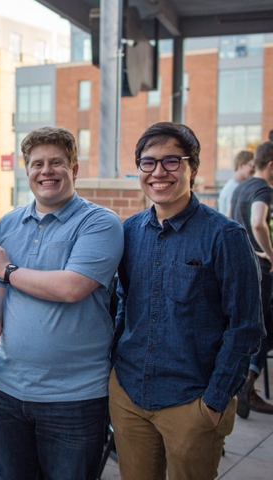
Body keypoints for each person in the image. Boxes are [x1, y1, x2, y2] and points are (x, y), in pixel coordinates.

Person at [111, 122, 264, 480]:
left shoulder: (225, 236)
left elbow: (246, 327)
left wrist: (215, 402)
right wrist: (113, 371)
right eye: (148, 163)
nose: (158, 172)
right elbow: (123, 303)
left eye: (172, 161)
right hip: (128, 394)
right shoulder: (129, 231)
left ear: (193, 168)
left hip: (192, 400)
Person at [0, 126, 124, 480]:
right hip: (6, 390)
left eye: (56, 162)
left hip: (74, 398)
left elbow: (72, 287)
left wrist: (8, 269)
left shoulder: (99, 222)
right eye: (37, 164)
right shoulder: (10, 222)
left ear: (74, 169)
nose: (46, 171)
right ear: (27, 171)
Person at [229, 140, 273, 417]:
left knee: (253, 326)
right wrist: (270, 252)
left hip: (243, 266)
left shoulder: (241, 187)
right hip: (261, 267)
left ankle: (245, 384)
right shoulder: (263, 189)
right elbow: (257, 221)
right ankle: (247, 384)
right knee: (263, 329)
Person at [218, 150, 254, 216]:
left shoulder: (234, 185)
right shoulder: (233, 188)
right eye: (252, 166)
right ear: (241, 165)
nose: (254, 170)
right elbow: (232, 216)